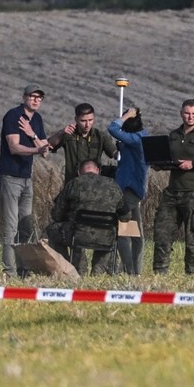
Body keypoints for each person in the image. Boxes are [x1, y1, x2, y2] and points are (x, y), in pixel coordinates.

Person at [47, 102, 117, 272]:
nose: (87, 124)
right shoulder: (69, 135)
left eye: (90, 120)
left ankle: (100, 268)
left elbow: (115, 154)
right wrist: (62, 132)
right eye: (83, 120)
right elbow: (49, 145)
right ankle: (73, 268)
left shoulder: (100, 136)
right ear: (76, 120)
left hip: (96, 194)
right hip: (73, 191)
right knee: (70, 229)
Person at [152, 99, 194, 274]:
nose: (190, 117)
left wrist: (193, 164)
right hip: (172, 192)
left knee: (193, 238)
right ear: (181, 113)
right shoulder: (173, 135)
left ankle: (192, 275)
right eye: (187, 113)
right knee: (162, 234)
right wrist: (159, 163)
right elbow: (169, 157)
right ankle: (159, 274)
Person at [0, 84, 50, 278]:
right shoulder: (13, 116)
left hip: (27, 178)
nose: (36, 100)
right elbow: (14, 147)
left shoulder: (37, 119)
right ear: (24, 97)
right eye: (32, 96)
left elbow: (46, 151)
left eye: (39, 97)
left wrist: (32, 135)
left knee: (25, 226)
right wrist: (37, 148)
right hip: (10, 177)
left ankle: (23, 269)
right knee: (10, 228)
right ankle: (9, 272)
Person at [45, 159, 128, 275]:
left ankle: (73, 269)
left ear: (79, 172)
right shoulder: (113, 185)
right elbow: (126, 216)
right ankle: (99, 270)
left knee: (52, 230)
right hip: (106, 236)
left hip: (79, 235)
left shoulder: (74, 183)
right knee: (108, 234)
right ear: (98, 171)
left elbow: (57, 215)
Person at [108, 106, 149, 275]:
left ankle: (130, 270)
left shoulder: (136, 139)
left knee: (126, 233)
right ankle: (133, 270)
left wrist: (125, 116)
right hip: (132, 191)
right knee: (134, 232)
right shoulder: (140, 137)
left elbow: (112, 128)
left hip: (128, 192)